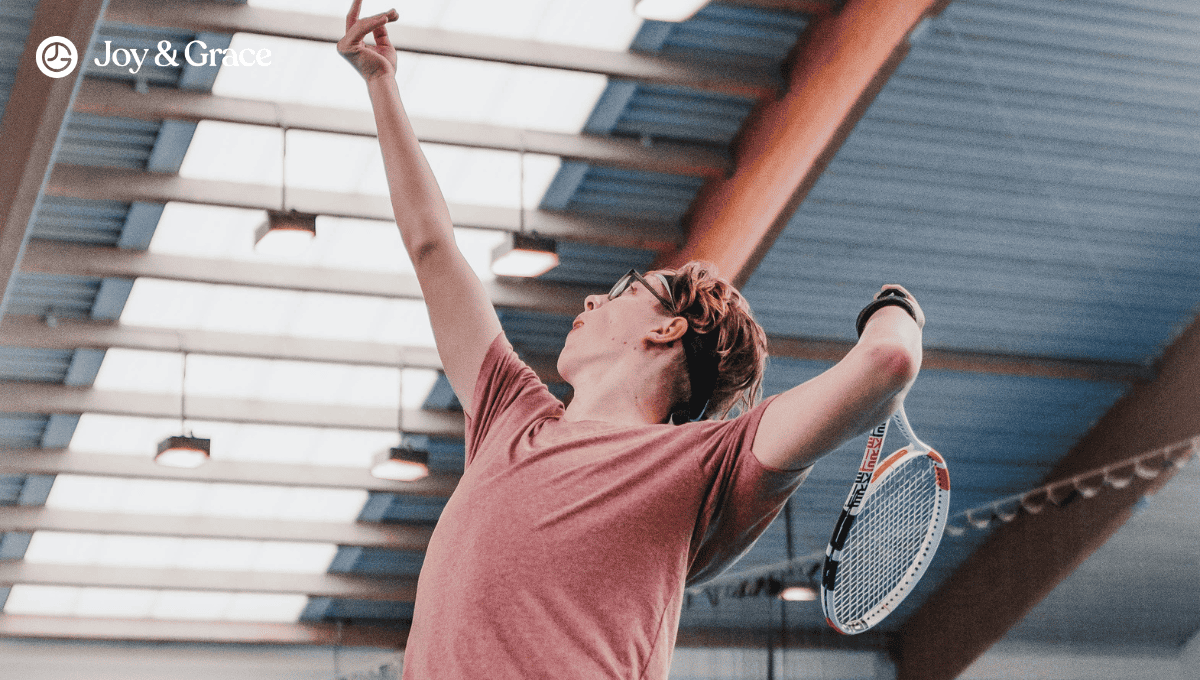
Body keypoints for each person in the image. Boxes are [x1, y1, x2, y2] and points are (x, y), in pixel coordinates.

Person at [337, 4, 924, 678]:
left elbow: (888, 359)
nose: (590, 299)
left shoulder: (709, 463)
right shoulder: (509, 414)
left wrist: (895, 305)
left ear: (668, 329)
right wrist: (380, 81)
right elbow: (432, 246)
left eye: (622, 288)